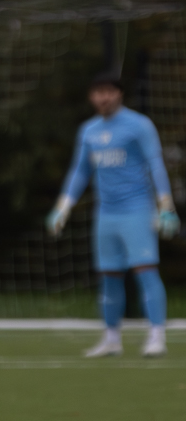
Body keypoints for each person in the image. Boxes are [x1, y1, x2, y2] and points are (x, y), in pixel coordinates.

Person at [47, 72, 180, 357]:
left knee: (145, 269)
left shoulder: (139, 125)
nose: (103, 97)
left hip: (137, 210)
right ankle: (111, 339)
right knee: (109, 275)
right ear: (91, 97)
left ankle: (156, 336)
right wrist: (62, 207)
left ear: (119, 93)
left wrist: (165, 206)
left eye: (108, 91)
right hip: (106, 214)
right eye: (97, 92)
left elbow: (155, 164)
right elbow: (80, 170)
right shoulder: (89, 131)